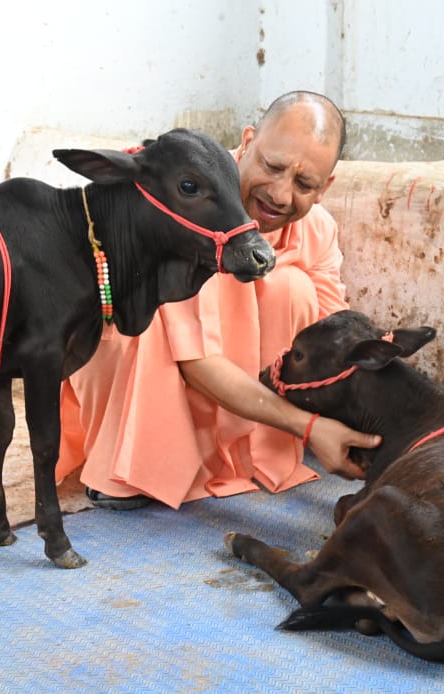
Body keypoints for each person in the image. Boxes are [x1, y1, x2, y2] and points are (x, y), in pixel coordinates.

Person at [56, 91, 380, 510]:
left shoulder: (316, 230)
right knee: (142, 323)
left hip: (243, 401)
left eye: (304, 183)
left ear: (325, 187)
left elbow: (337, 338)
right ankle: (137, 463)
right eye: (272, 166)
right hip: (144, 359)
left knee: (292, 287)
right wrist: (310, 427)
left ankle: (249, 454)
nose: (281, 195)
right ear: (246, 143)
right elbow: (196, 364)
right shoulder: (179, 194)